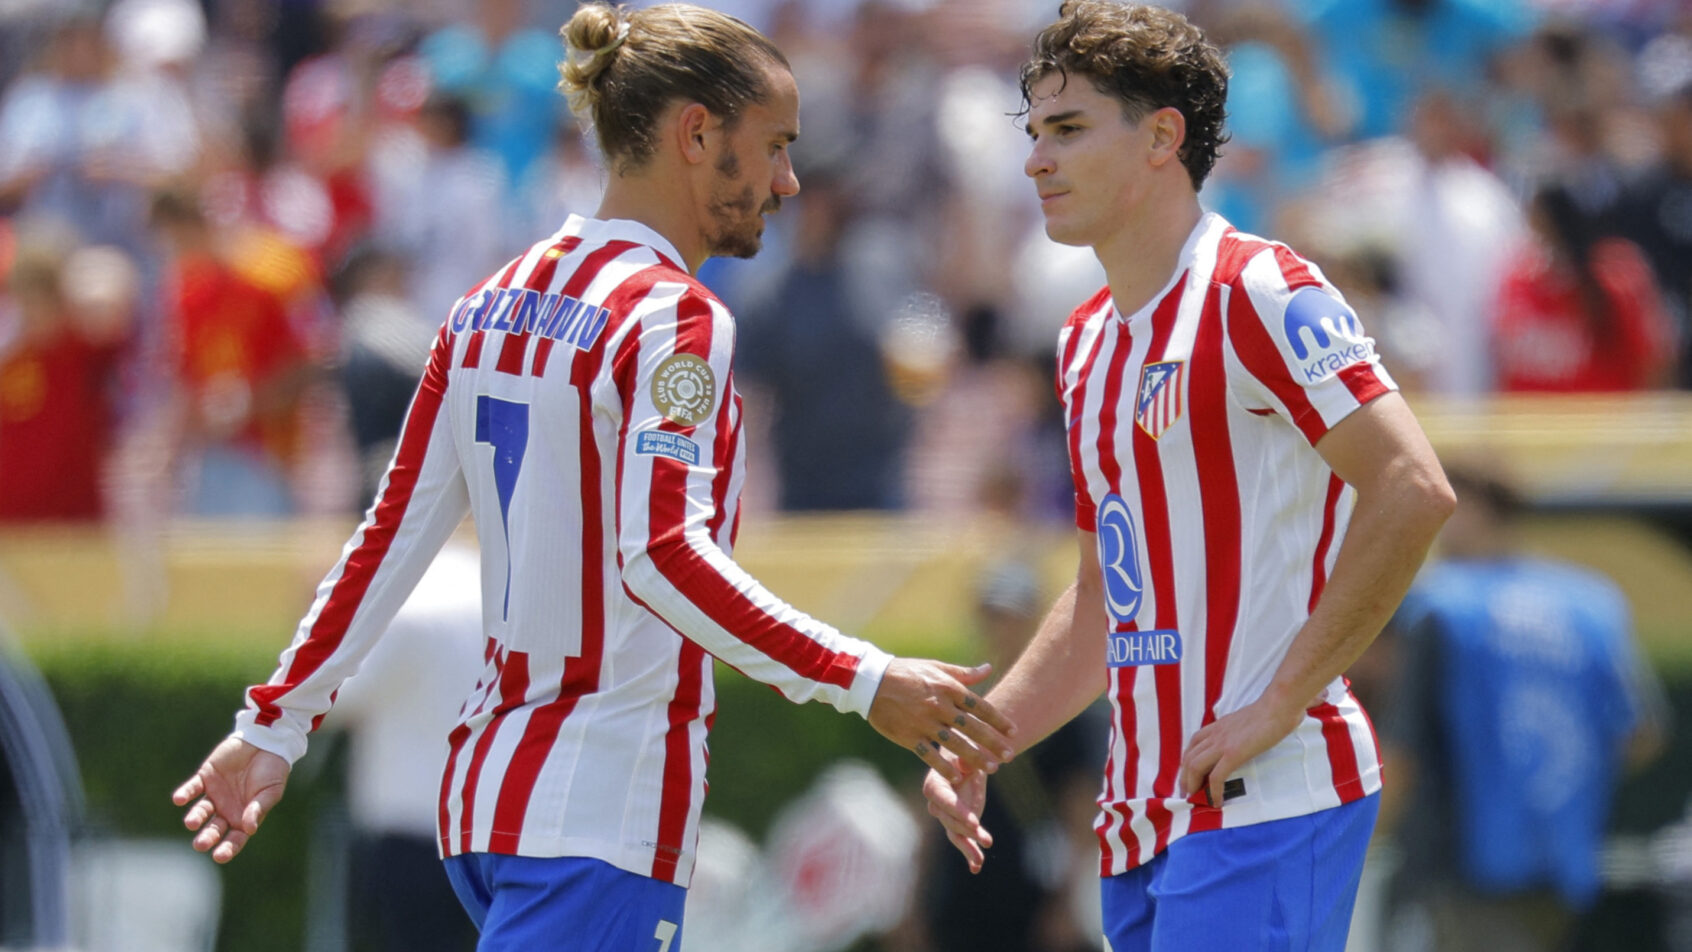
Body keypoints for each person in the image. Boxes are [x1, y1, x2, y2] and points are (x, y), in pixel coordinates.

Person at [170, 5, 1016, 951]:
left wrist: (275, 725)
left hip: (487, 804)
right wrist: (864, 679)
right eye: (775, 145)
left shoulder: (485, 304)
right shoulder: (675, 318)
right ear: (697, 133)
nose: (786, 181)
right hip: (596, 808)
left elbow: (387, 538)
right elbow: (663, 556)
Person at [921, 5, 1455, 951]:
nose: (1036, 160)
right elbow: (1103, 599)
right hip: (1139, 816)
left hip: (1266, 797)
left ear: (1163, 135)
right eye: (1035, 132)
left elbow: (1411, 487)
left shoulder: (1259, 290)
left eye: (1068, 129)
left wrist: (1280, 701)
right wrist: (982, 741)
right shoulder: (1084, 342)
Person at [1375, 463, 1667, 952]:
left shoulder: (1439, 604)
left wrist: (1363, 844)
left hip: (1456, 861)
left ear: (1478, 510)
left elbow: (1404, 750)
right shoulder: (1590, 602)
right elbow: (1641, 735)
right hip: (1562, 854)